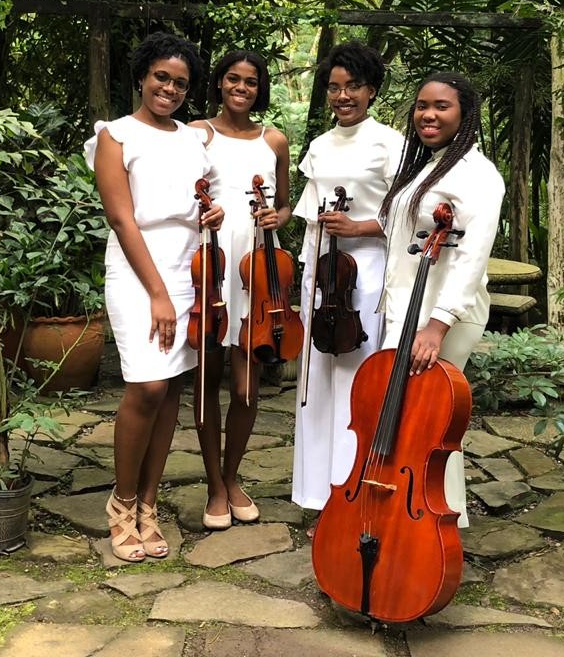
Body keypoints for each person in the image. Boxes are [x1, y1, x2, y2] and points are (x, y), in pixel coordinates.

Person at [86, 32, 223, 563]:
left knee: (170, 390)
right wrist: (159, 294)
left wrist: (213, 213)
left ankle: (148, 504)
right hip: (137, 269)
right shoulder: (115, 136)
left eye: (180, 83)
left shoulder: (194, 140)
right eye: (161, 77)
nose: (169, 88)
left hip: (188, 267)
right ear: (142, 77)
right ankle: (121, 502)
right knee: (146, 385)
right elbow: (122, 219)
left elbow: (201, 202)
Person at [377, 71, 505, 527]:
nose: (428, 115)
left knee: (431, 425)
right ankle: (405, 521)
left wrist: (437, 325)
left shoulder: (478, 175)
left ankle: (435, 527)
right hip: (407, 309)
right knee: (408, 422)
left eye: (441, 106)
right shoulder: (428, 164)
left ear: (465, 114)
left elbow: (472, 257)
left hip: (441, 318)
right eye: (421, 106)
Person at [291, 42, 406, 523]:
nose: (343, 96)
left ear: (371, 90)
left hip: (368, 271)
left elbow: (407, 215)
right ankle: (317, 492)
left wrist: (358, 227)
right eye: (335, 87)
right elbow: (308, 214)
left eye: (353, 86)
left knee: (358, 380)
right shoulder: (319, 145)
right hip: (323, 273)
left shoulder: (391, 143)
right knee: (317, 379)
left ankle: (354, 492)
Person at [189, 50, 291, 530]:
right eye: (233, 78)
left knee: (247, 387)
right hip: (213, 261)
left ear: (260, 88)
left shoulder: (275, 140)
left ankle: (232, 478)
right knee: (208, 379)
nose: (242, 88)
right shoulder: (196, 133)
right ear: (219, 82)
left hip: (259, 264)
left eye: (251, 82)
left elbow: (285, 205)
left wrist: (276, 217)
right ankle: (214, 485)